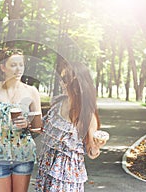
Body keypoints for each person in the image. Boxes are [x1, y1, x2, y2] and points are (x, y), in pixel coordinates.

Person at [35, 62, 107, 192]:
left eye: (64, 79)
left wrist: (97, 145)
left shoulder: (87, 115)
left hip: (67, 178)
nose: (62, 83)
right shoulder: (57, 105)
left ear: (76, 85)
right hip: (46, 170)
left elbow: (92, 153)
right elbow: (44, 130)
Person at [0, 47, 43, 192]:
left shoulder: (32, 91)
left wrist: (27, 124)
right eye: (13, 65)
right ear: (3, 67)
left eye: (21, 65)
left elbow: (38, 127)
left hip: (24, 153)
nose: (18, 69)